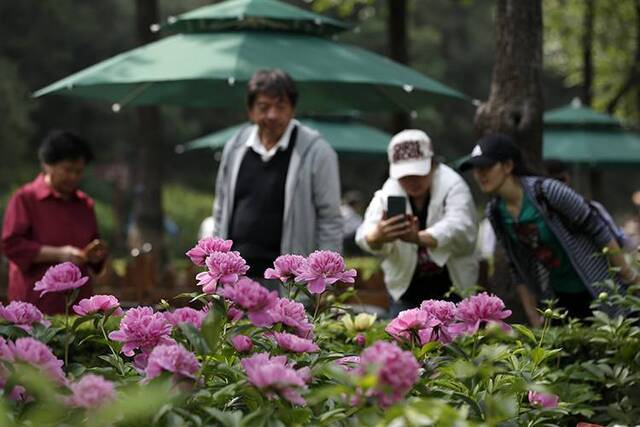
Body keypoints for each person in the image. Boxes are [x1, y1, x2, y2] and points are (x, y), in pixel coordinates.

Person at [460, 134, 639, 325]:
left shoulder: (547, 191)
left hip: (598, 288)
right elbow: (516, 267)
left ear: (508, 166)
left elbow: (599, 230)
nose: (480, 175)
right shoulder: (495, 212)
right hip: (558, 298)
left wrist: (629, 277)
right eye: (476, 169)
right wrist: (534, 317)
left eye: (486, 167)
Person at [212, 69, 342, 284]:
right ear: (250, 111)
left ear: (292, 109)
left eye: (280, 107)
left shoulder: (317, 152)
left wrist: (326, 280)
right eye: (264, 107)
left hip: (290, 281)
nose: (272, 115)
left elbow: (330, 219)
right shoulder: (235, 147)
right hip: (235, 277)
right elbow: (220, 209)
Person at [355, 130, 479, 315]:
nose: (412, 180)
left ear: (432, 164)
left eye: (418, 172)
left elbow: (460, 226)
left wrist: (418, 238)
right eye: (405, 175)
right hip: (405, 291)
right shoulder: (388, 191)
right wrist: (377, 236)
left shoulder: (453, 185)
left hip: (453, 288)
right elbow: (365, 233)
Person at [2, 130, 106, 314]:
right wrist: (59, 254)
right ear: (47, 165)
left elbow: (94, 252)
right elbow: (11, 245)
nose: (73, 177)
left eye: (78, 171)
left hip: (77, 309)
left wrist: (95, 256)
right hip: (34, 307)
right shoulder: (25, 199)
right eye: (67, 170)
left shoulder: (85, 204)